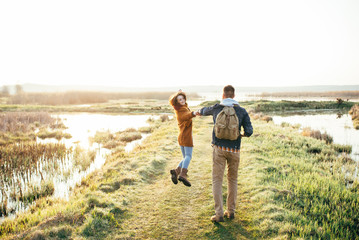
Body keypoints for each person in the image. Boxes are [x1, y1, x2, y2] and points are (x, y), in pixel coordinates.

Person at [197, 85, 253, 222]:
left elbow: (203, 111)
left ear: (223, 95)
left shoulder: (217, 108)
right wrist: (242, 134)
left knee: (217, 180)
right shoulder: (241, 111)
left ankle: (219, 214)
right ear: (234, 95)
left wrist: (198, 111)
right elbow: (250, 131)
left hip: (218, 149)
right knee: (232, 180)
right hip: (234, 150)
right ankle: (231, 211)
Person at [169, 91, 196, 187]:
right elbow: (186, 116)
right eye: (180, 99)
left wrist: (192, 113)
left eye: (183, 98)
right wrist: (193, 113)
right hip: (186, 137)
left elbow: (186, 114)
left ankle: (176, 171)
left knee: (185, 158)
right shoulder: (181, 111)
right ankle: (183, 174)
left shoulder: (181, 108)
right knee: (188, 156)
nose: (182, 100)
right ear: (177, 102)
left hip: (181, 136)